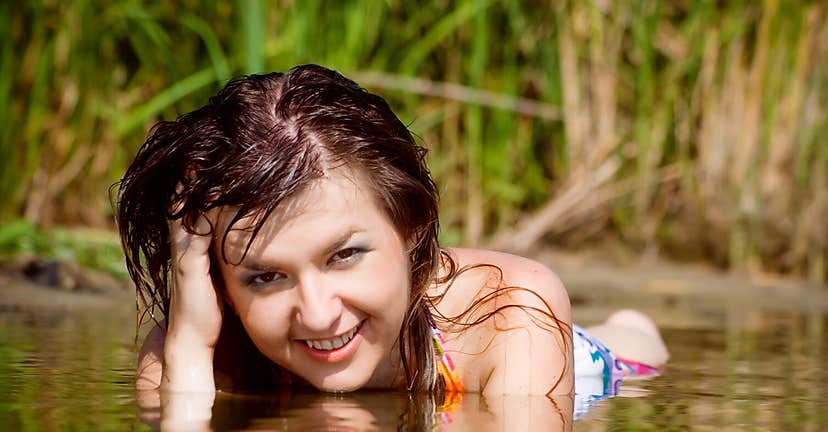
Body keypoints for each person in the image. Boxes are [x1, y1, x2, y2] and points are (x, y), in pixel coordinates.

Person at [116, 64, 668, 408]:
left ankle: (628, 327)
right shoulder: (190, 345)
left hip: (578, 359)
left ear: (412, 229)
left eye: (345, 255)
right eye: (265, 276)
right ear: (219, 285)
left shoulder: (515, 310)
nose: (316, 314)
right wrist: (189, 340)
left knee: (630, 345)